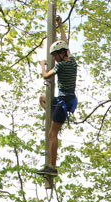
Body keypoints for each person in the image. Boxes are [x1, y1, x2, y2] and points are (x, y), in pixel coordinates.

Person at [37, 16, 78, 176]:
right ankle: (52, 113)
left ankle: (52, 166)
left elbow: (46, 75)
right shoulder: (72, 61)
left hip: (64, 101)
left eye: (55, 56)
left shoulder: (61, 65)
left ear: (61, 54)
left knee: (52, 134)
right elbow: (65, 41)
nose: (53, 59)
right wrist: (60, 25)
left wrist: (42, 65)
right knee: (43, 98)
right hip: (65, 98)